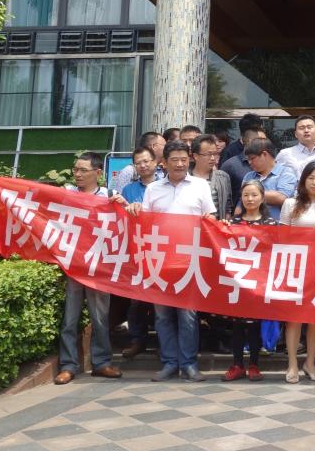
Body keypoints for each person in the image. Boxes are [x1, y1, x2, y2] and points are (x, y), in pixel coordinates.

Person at [127, 140, 217, 383]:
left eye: (183, 159)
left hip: (190, 261)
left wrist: (210, 220)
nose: (179, 164)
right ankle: (169, 363)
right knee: (162, 315)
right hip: (160, 261)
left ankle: (189, 364)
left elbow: (211, 217)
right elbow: (145, 221)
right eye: (174, 160)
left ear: (190, 160)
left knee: (188, 316)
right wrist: (134, 208)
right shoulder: (153, 189)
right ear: (164, 163)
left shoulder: (200, 185)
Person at [53, 153, 125, 385]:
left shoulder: (109, 196)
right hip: (74, 266)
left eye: (83, 170)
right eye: (75, 169)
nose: (78, 174)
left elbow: (126, 225)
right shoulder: (67, 193)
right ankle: (68, 366)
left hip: (99, 267)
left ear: (98, 172)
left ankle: (101, 363)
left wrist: (124, 206)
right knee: (70, 318)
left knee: (100, 318)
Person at [279, 161, 315, 383]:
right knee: (294, 318)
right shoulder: (290, 204)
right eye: (311, 178)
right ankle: (292, 363)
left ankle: (310, 362)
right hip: (295, 267)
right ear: (303, 180)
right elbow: (281, 237)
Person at [221, 180, 275, 382]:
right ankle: (237, 364)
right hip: (237, 280)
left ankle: (254, 364)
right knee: (237, 325)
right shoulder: (233, 223)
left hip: (259, 281)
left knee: (254, 325)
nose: (250, 199)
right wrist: (221, 228)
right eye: (245, 195)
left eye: (254, 195)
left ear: (262, 198)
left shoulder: (271, 224)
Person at [120, 146, 159, 359]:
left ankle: (164, 343)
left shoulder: (165, 185)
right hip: (138, 248)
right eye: (138, 163)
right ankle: (137, 340)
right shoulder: (128, 190)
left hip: (163, 248)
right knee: (136, 299)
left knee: (163, 299)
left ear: (155, 162)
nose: (143, 165)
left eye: (146, 161)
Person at [240, 138, 296, 221]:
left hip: (277, 225)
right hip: (250, 225)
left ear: (264, 154)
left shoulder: (286, 173)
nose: (249, 162)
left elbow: (281, 198)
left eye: (252, 158)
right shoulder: (249, 176)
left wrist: (251, 194)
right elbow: (241, 203)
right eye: (248, 159)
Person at [221, 125, 268, 208]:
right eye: (261, 140)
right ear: (250, 141)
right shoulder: (231, 165)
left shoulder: (268, 163)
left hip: (266, 213)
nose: (265, 143)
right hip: (239, 214)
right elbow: (222, 196)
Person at [191, 134, 232, 220]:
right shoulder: (185, 177)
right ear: (195, 156)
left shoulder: (223, 177)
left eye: (215, 154)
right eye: (208, 154)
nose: (213, 158)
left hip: (216, 226)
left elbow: (228, 207)